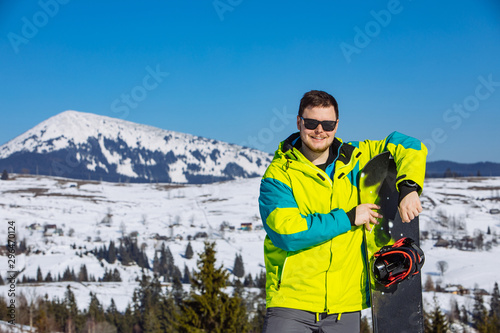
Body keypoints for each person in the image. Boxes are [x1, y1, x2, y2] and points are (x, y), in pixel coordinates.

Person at [258, 90, 427, 332]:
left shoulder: (358, 157)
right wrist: (348, 218)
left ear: (337, 125)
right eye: (311, 122)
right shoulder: (278, 175)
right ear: (299, 122)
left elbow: (409, 145)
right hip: (292, 305)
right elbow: (288, 233)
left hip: (345, 308)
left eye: (327, 123)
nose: (320, 130)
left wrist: (409, 187)